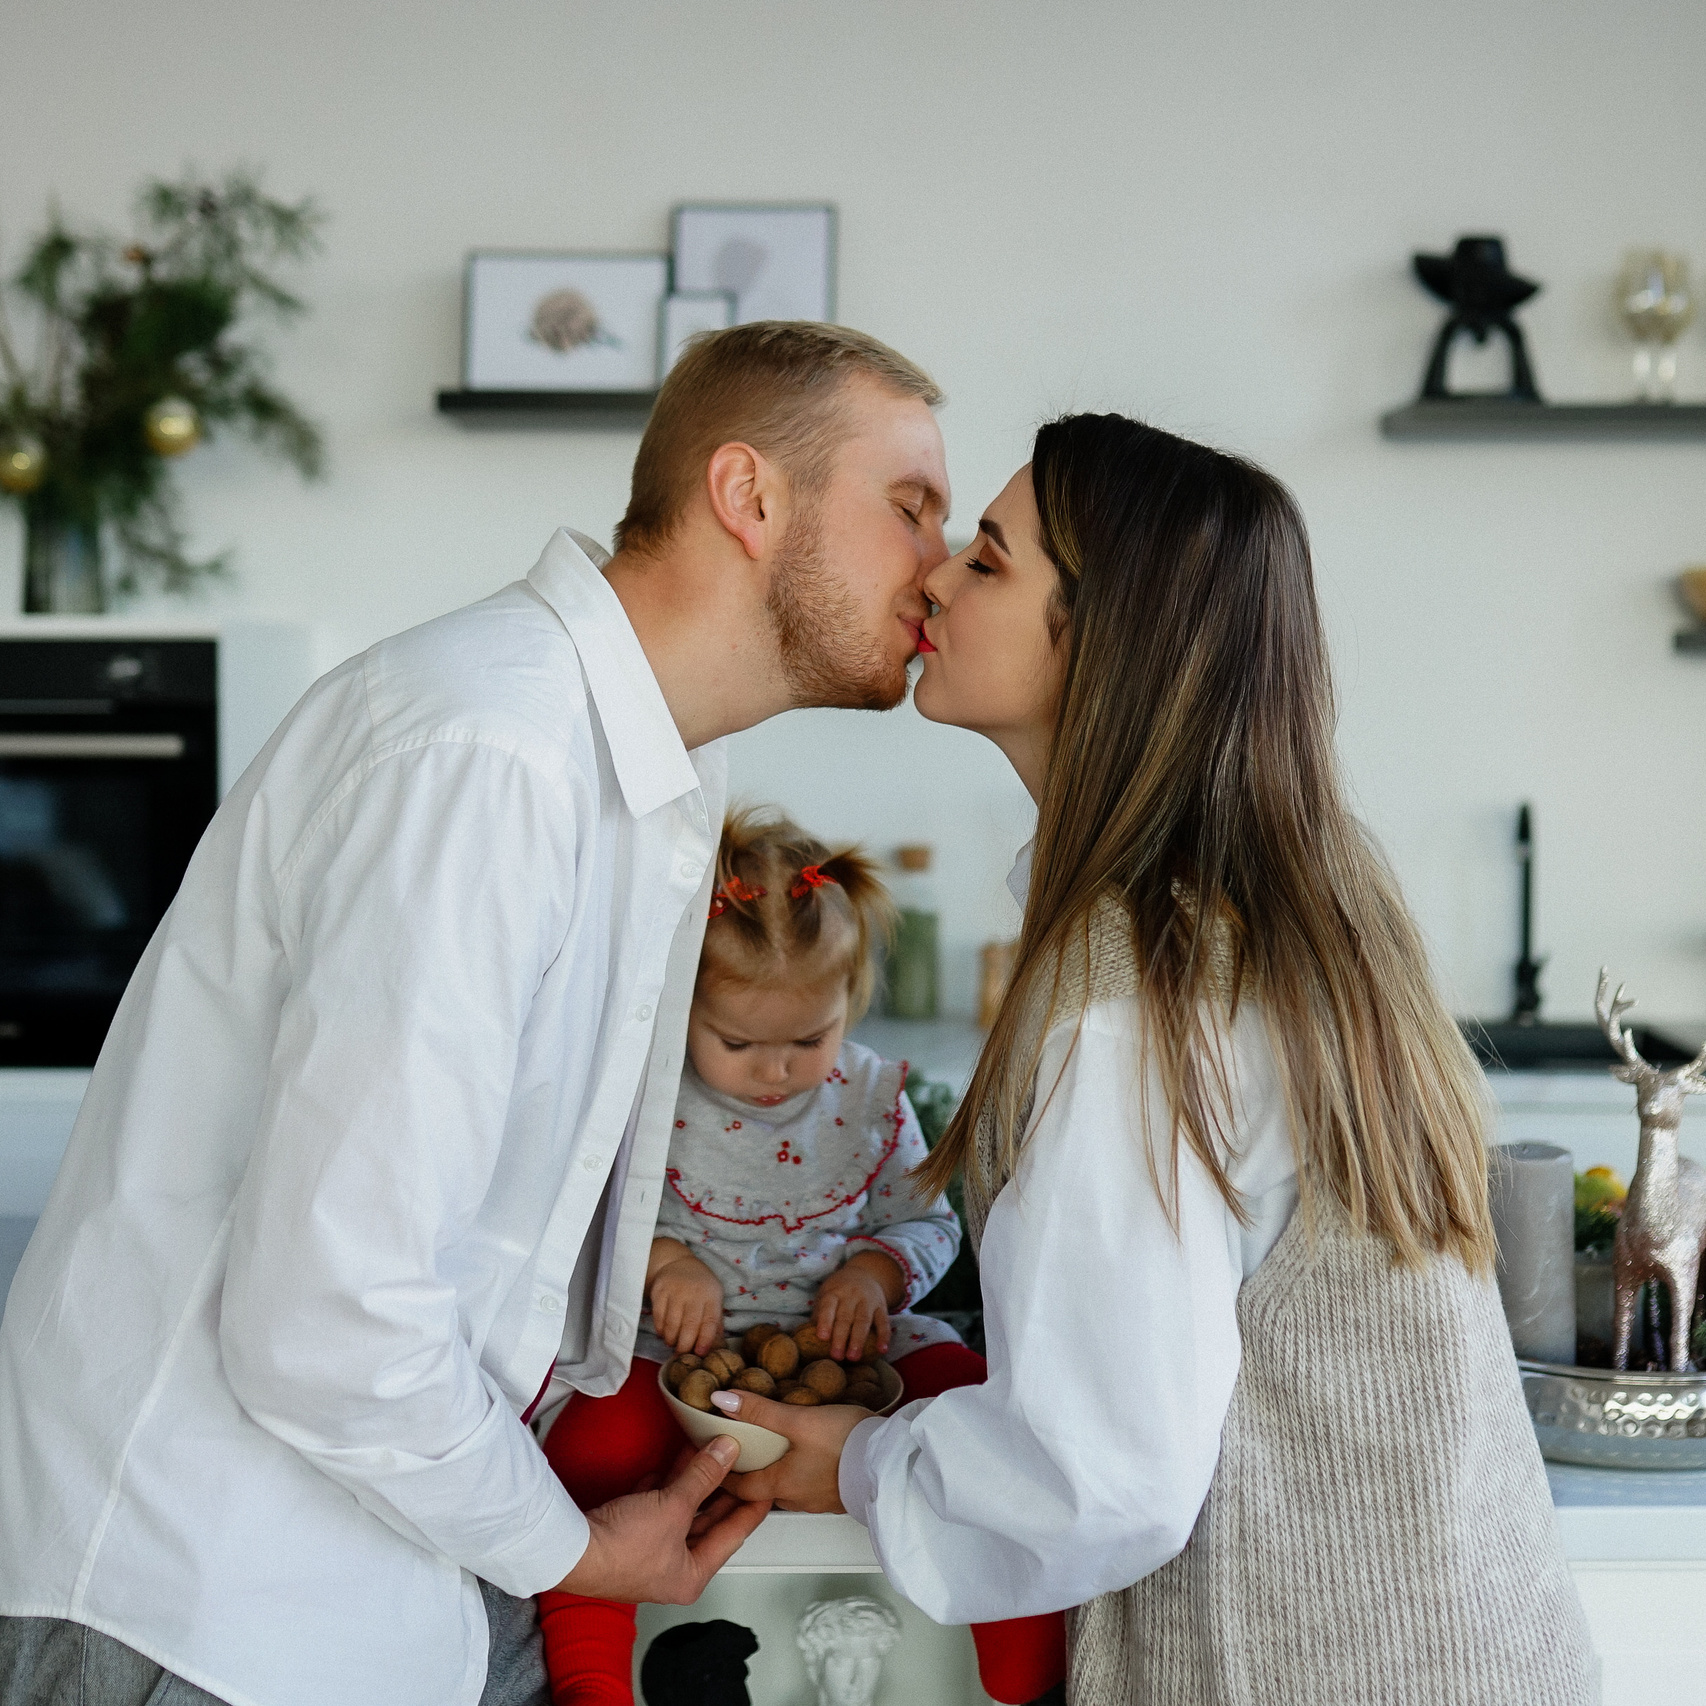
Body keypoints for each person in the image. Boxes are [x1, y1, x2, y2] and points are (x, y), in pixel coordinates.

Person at [0, 321, 951, 1706]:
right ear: (749, 497)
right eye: (910, 506)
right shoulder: (489, 754)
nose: (938, 559)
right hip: (200, 1609)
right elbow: (336, 1313)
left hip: (361, 1590)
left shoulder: (631, 767)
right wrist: (561, 1544)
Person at [716, 413, 1598, 1704]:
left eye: (992, 559)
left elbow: (1103, 1470)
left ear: (1102, 641)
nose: (935, 577)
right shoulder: (1304, 886)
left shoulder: (1129, 995)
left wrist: (862, 1459)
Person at [535, 809, 1064, 1705]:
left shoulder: (870, 1100)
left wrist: (876, 1273)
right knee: (593, 1442)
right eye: (738, 1043)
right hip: (677, 1361)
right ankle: (589, 1680)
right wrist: (664, 1260)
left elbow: (930, 1225)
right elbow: (575, 1226)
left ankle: (1029, 1659)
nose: (775, 1070)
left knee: (981, 1410)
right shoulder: (645, 1095)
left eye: (808, 1040)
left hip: (851, 1360)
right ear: (679, 1008)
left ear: (849, 1004)